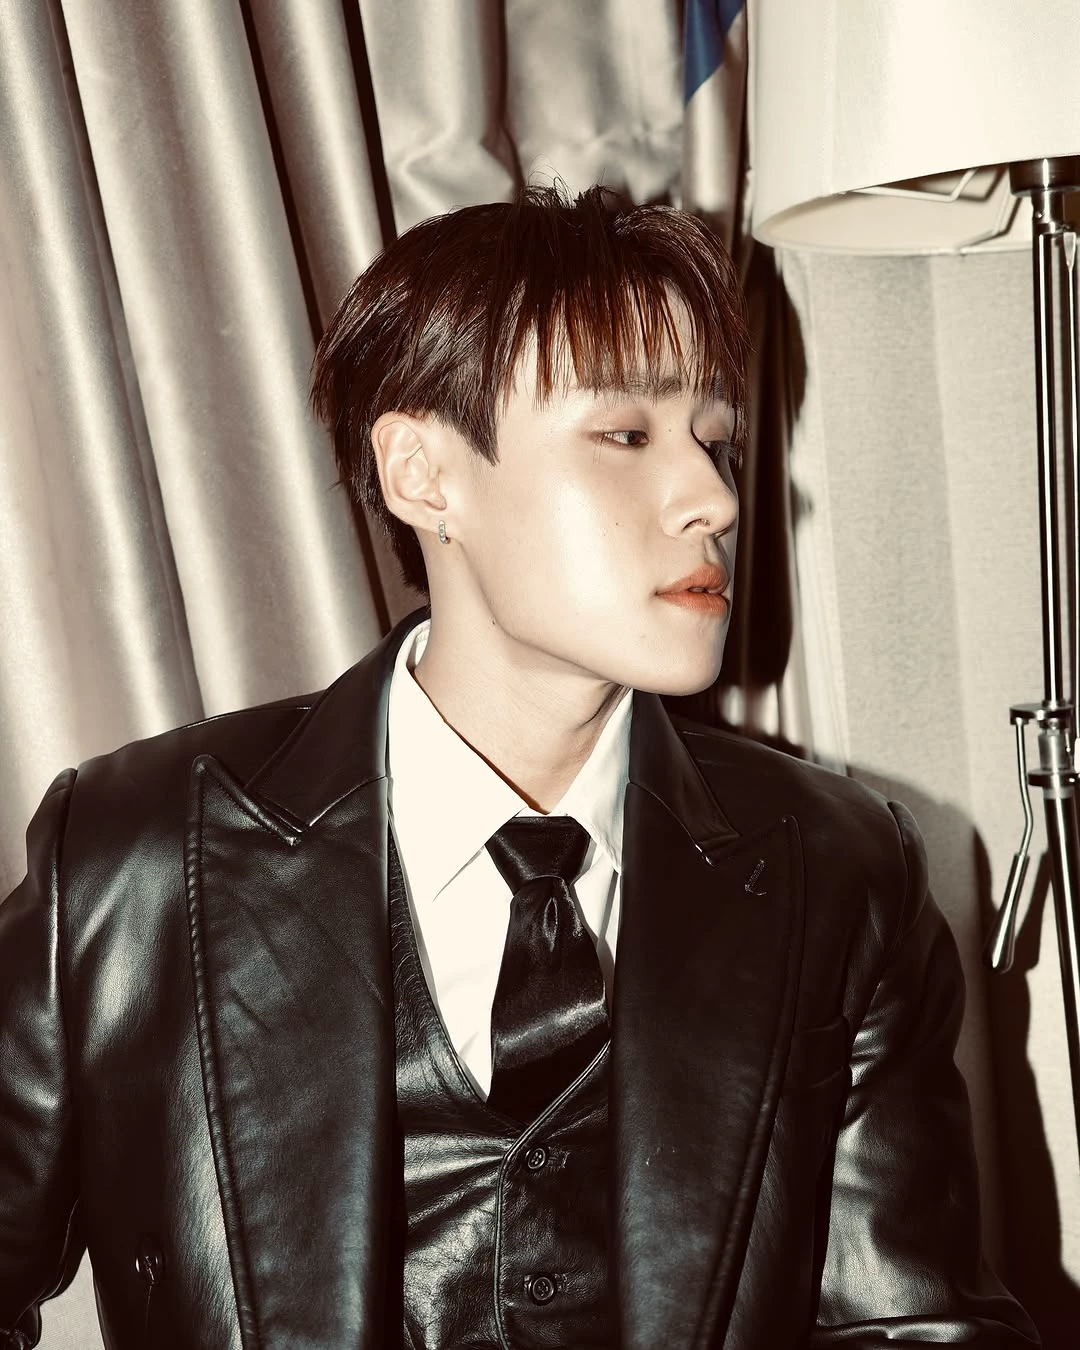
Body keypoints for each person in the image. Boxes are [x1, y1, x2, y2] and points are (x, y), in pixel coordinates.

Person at [0, 184, 1038, 1350]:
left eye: (717, 439)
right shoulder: (133, 856)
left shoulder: (838, 870)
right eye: (625, 434)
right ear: (422, 475)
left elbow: (917, 1326)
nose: (714, 498)